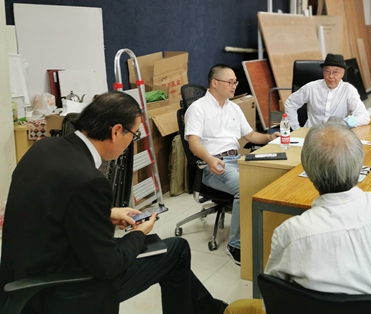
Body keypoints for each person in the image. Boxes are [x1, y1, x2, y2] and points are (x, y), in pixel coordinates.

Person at [0, 91, 226, 314]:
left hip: (22, 278)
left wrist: (107, 213)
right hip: (66, 290)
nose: (131, 142)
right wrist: (139, 233)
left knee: (172, 255)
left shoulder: (43, 148)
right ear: (117, 131)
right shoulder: (89, 181)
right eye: (134, 135)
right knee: (177, 250)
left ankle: (210, 308)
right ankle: (210, 309)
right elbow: (108, 265)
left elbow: (51, 207)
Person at [223, 118, 371, 314]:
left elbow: (271, 300)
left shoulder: (291, 233)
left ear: (308, 171)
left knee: (235, 308)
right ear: (360, 166)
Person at [185, 64, 279, 265]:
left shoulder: (234, 107)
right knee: (245, 186)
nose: (234, 85)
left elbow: (250, 135)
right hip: (213, 164)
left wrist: (270, 137)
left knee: (269, 177)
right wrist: (210, 159)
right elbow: (193, 143)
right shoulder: (198, 108)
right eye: (230, 82)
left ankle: (260, 234)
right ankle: (235, 245)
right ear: (214, 83)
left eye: (235, 82)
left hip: (237, 159)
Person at [284, 53, 370, 131]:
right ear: (323, 72)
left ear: (342, 73)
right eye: (327, 71)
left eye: (335, 72)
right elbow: (290, 104)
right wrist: (296, 129)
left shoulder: (348, 90)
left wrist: (344, 123)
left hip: (337, 134)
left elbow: (364, 116)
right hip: (312, 134)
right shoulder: (311, 87)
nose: (331, 76)